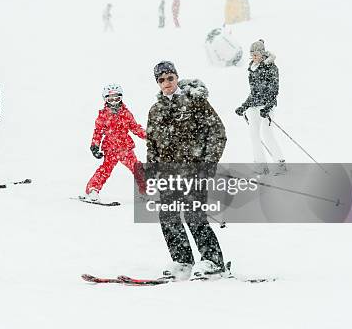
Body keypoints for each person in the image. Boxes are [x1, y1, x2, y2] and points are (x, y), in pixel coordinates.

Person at [146, 61, 227, 280]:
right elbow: (152, 143)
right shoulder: (156, 110)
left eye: (170, 78)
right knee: (168, 216)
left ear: (176, 77)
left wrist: (208, 164)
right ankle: (182, 261)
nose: (166, 83)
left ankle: (213, 261)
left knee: (194, 215)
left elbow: (217, 132)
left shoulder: (195, 101)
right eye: (161, 80)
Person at [85, 84, 146, 202]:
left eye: (116, 98)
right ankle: (93, 190)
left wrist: (149, 136)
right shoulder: (103, 115)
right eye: (110, 99)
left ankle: (146, 192)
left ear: (121, 98)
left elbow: (135, 128)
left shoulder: (126, 114)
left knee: (138, 169)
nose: (113, 102)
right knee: (105, 169)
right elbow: (98, 132)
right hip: (110, 149)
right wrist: (95, 146)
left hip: (125, 149)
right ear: (105, 99)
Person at [235, 39, 285, 174]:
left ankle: (280, 164)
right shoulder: (252, 69)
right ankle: (261, 165)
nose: (253, 57)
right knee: (253, 135)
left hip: (266, 107)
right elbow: (254, 92)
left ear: (262, 54)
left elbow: (274, 90)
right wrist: (244, 106)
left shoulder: (271, 68)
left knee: (267, 134)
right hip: (254, 106)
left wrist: (267, 107)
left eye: (256, 54)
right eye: (252, 54)